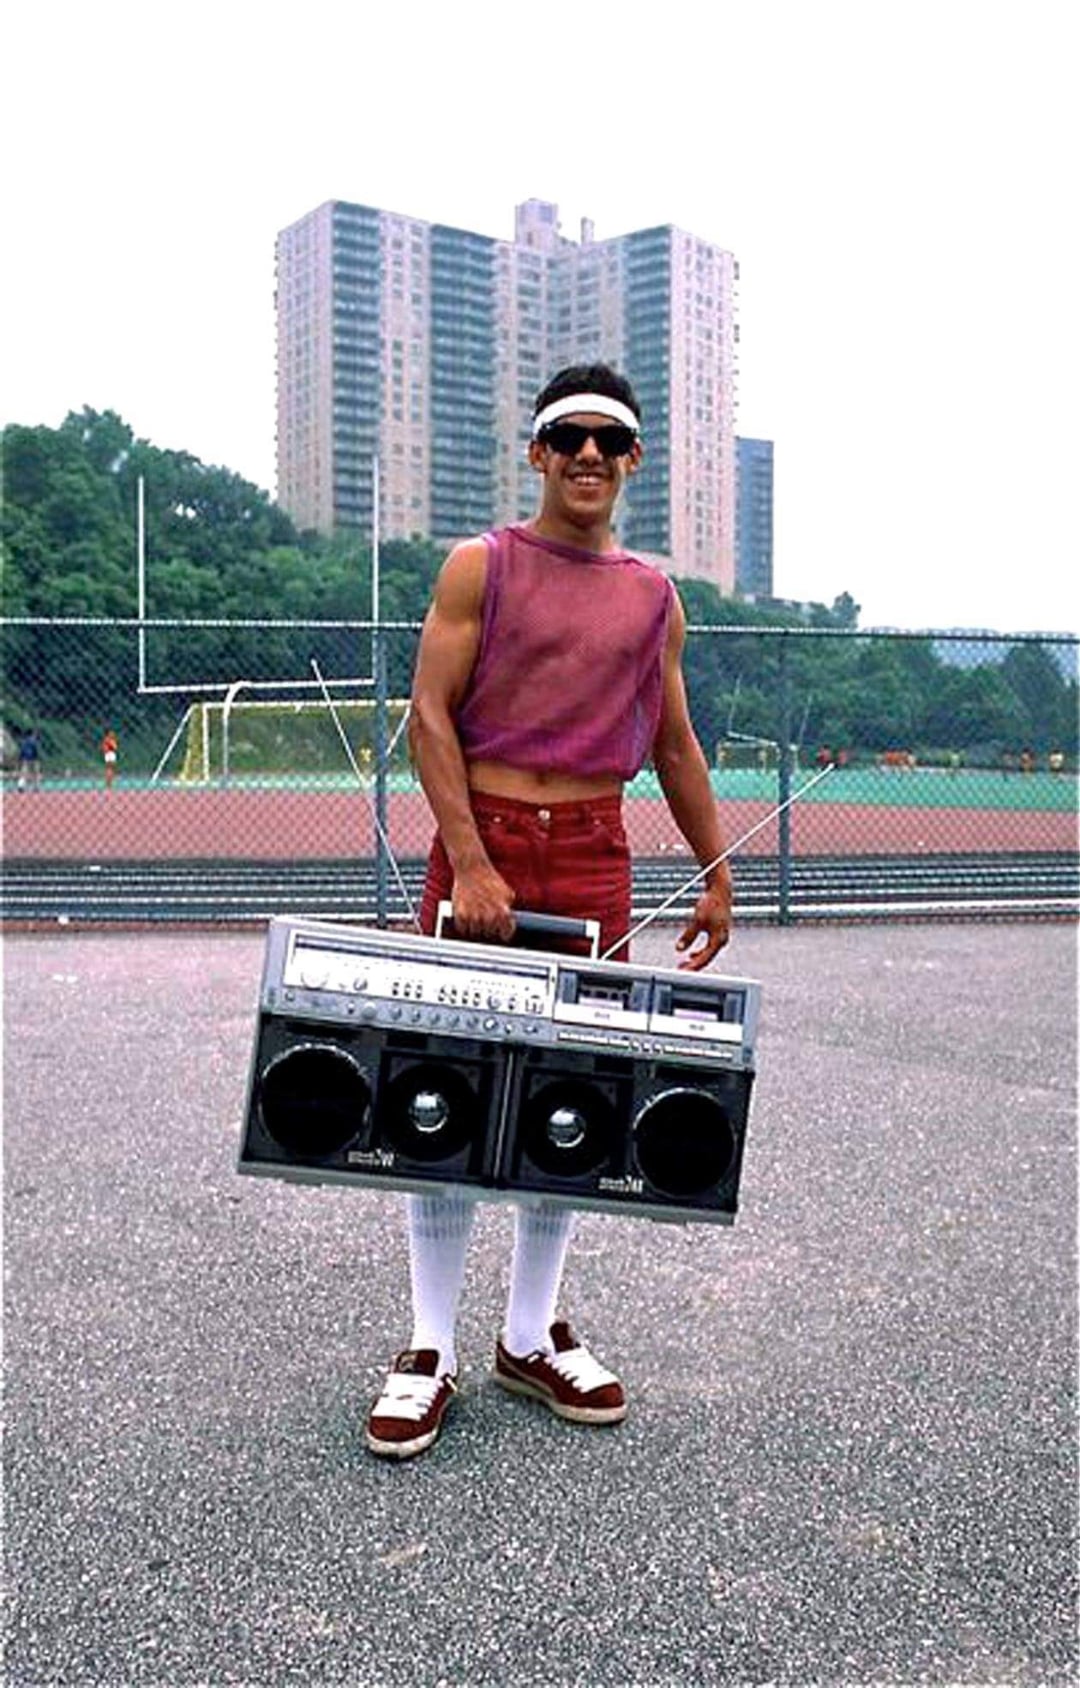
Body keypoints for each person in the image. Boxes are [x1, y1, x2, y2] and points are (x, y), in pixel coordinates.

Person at [365, 363, 734, 1460]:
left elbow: (673, 744)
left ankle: (529, 1334)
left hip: (590, 848)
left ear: (633, 461)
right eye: (567, 436)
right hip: (483, 835)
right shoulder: (481, 565)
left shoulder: (654, 597)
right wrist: (472, 864)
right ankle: (430, 1344)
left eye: (608, 441)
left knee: (571, 1091)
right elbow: (429, 715)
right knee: (445, 1080)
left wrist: (717, 870)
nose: (587, 455)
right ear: (536, 452)